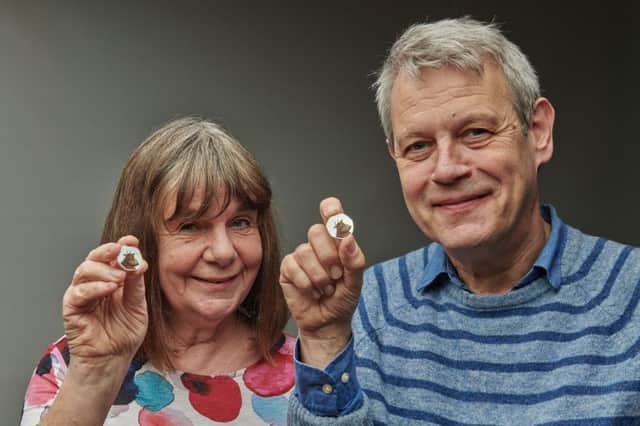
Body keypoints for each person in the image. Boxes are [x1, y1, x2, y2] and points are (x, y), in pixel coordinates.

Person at [280, 17, 640, 424]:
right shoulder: (365, 306)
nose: (447, 169)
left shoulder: (632, 298)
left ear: (537, 131)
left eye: (475, 132)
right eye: (418, 146)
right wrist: (327, 342)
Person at [21, 117, 294, 425]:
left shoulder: (309, 376)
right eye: (190, 226)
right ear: (143, 242)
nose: (223, 252)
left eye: (240, 222)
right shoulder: (72, 365)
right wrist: (94, 378)